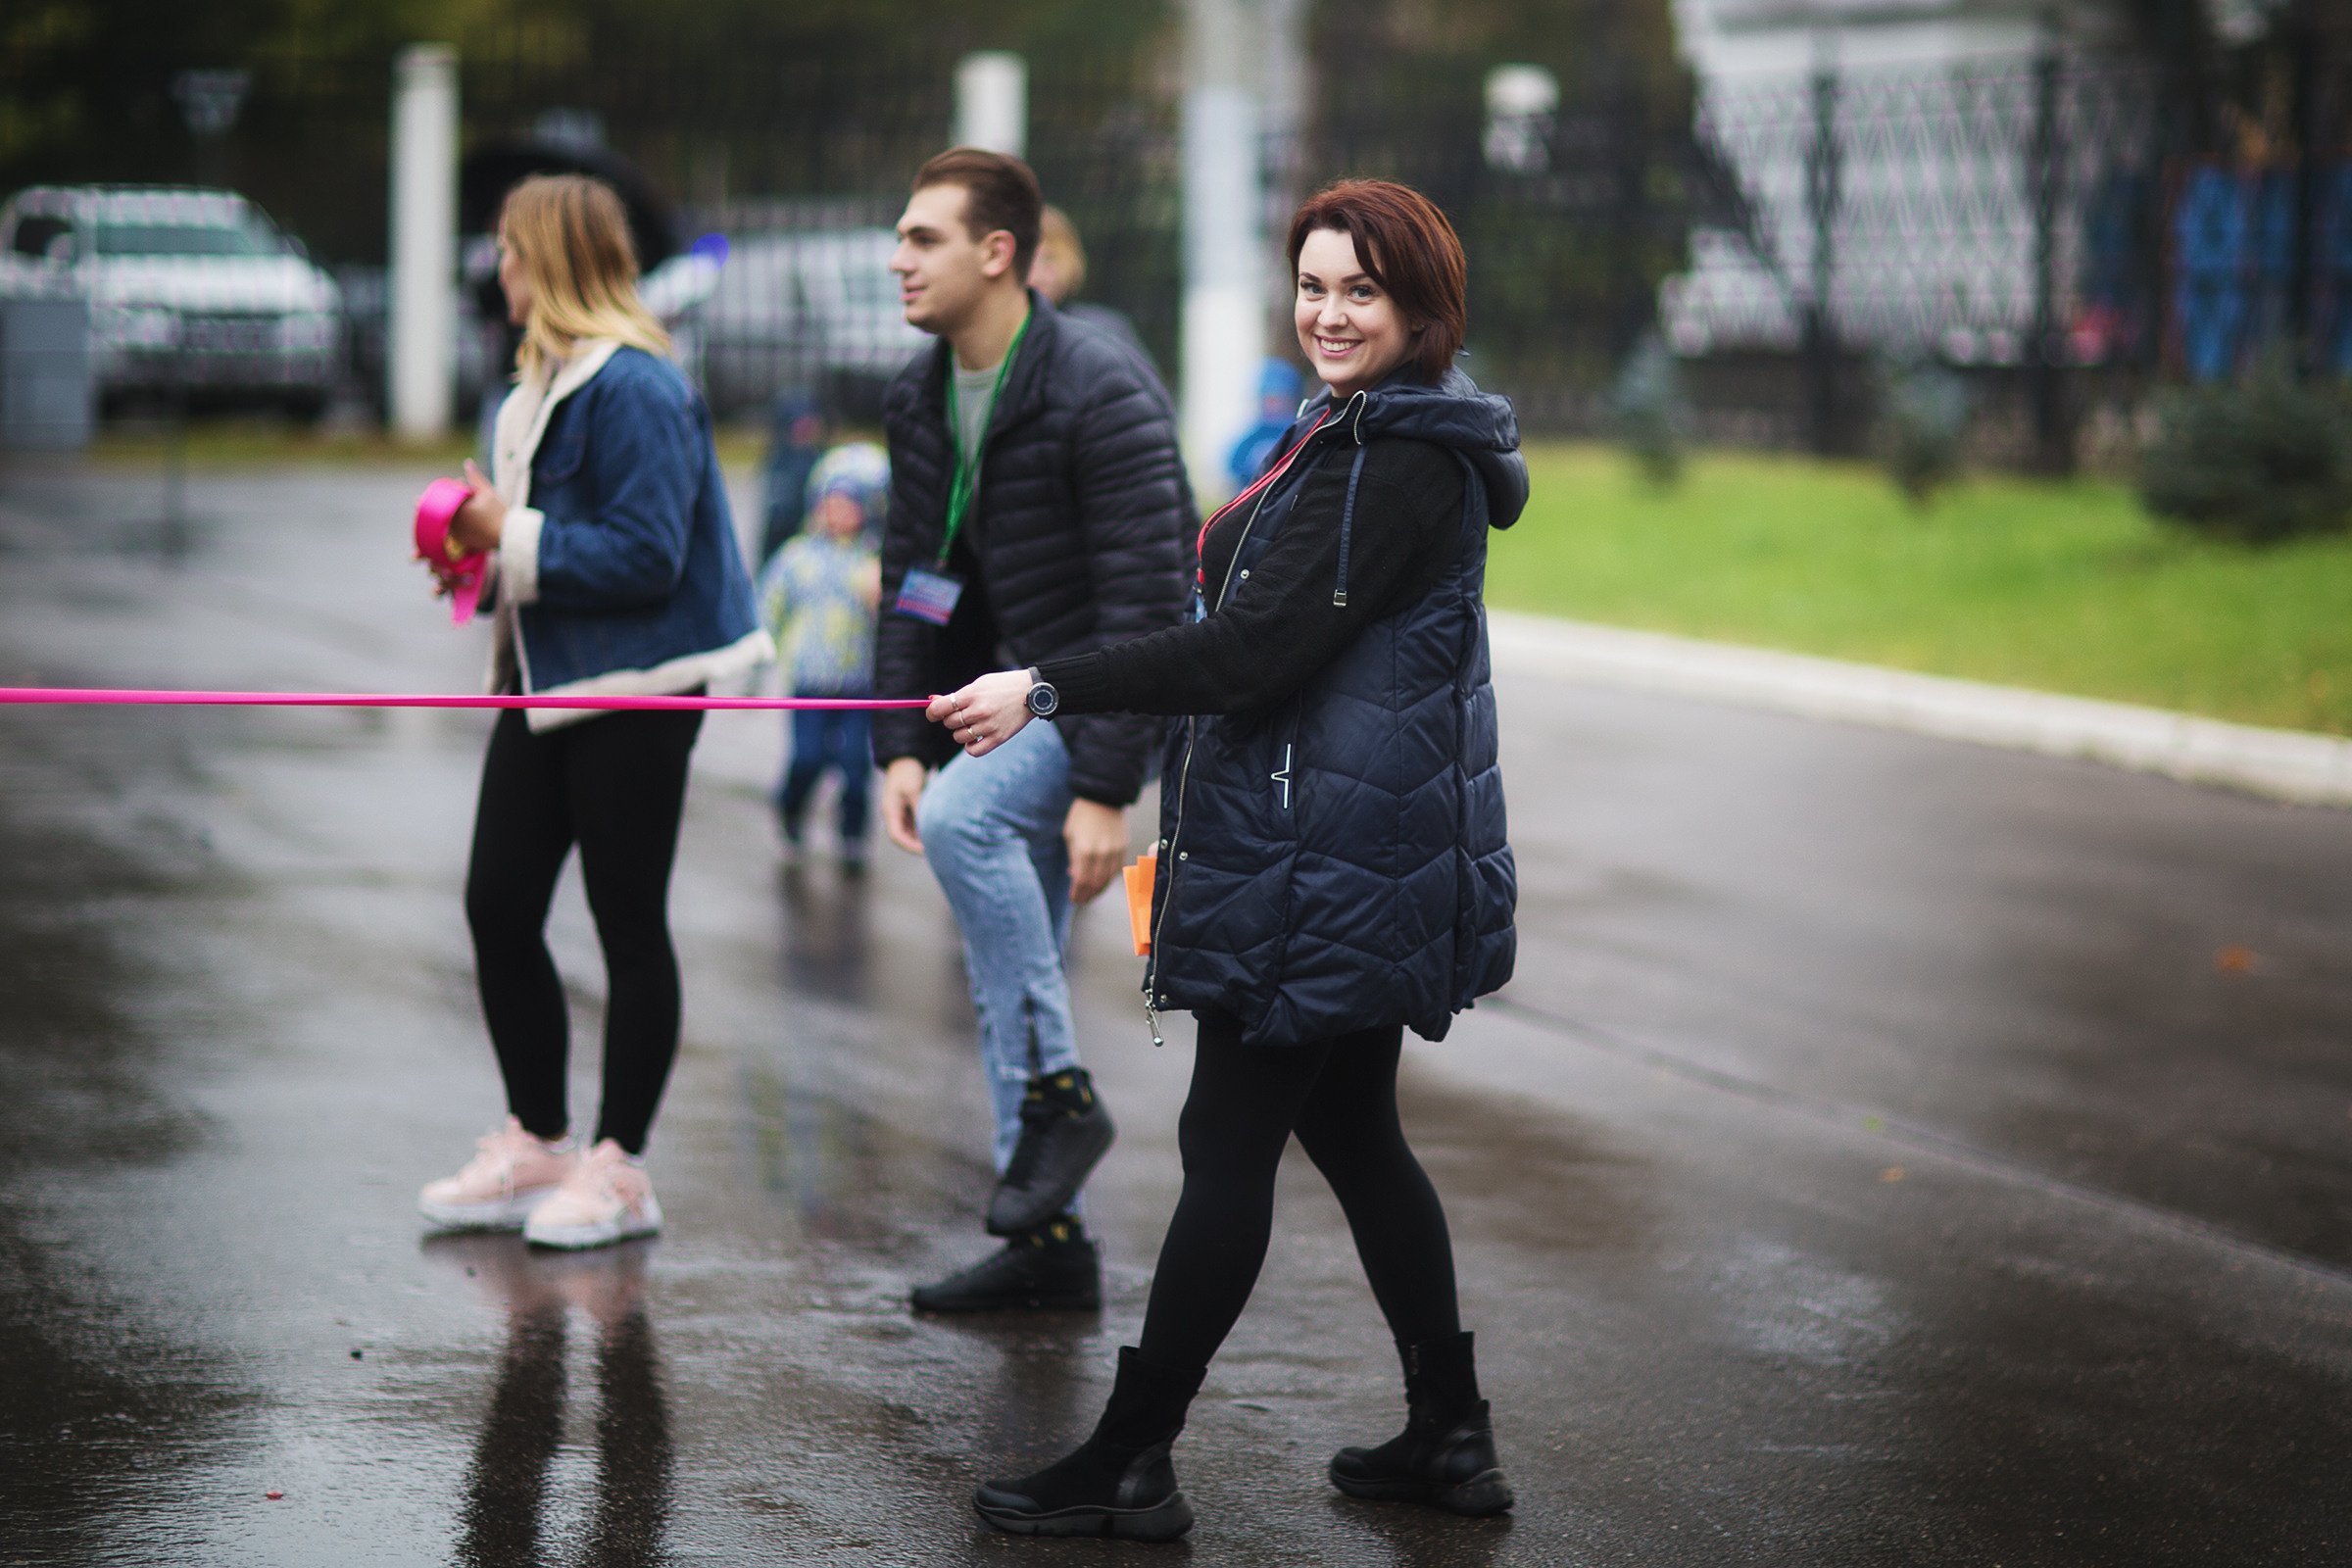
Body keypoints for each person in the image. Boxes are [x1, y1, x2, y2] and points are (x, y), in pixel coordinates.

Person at [927, 177, 1523, 1539]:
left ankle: (1133, 1455)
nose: (1327, 312)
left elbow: (1250, 652)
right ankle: (1450, 1433)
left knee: (1228, 1141)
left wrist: (1047, 684)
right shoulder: (1359, 431)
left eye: (1360, 291)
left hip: (1330, 862)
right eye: (1313, 286)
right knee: (1356, 1132)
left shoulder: (1401, 459)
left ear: (1421, 309)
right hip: (1346, 846)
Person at [417, 174, 767, 1251]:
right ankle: (542, 1142)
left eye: (509, 251)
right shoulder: (529, 386)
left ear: (552, 260)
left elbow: (647, 554)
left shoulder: (639, 387)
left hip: (641, 687)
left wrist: (503, 533)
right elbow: (536, 539)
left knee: (626, 919)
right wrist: (475, 552)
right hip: (545, 680)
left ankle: (620, 1170)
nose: (498, 270)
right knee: (499, 903)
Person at [876, 149, 1193, 1312]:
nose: (898, 258)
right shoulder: (919, 393)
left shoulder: (1097, 387)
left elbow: (1152, 611)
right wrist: (902, 742)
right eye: (900, 237)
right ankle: (1050, 1242)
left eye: (923, 238)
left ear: (996, 253)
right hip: (999, 702)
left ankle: (1060, 1098)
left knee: (967, 823)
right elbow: (913, 577)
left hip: (1103, 694)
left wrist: (1106, 787)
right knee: (994, 905)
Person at [759, 441, 888, 869]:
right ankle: (791, 812)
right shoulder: (798, 557)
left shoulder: (877, 561)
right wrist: (756, 663)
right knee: (808, 756)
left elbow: (920, 615)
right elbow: (768, 608)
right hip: (809, 682)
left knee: (856, 766)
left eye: (850, 504)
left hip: (859, 686)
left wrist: (885, 598)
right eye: (832, 503)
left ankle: (852, 836)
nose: (839, 513)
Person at [1027, 204, 1159, 383]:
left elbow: (1146, 396)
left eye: (1049, 258)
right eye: (1028, 261)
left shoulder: (1104, 329)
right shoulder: (993, 335)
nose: (1038, 272)